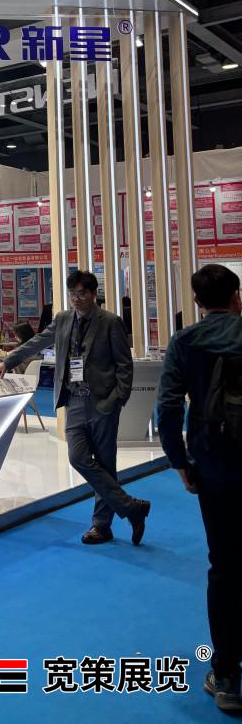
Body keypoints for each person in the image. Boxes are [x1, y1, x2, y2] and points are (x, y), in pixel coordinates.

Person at [0, 270, 150, 546]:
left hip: (103, 403)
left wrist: (117, 399)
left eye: (81, 294)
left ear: (93, 294)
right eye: (72, 295)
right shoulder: (63, 319)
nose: (76, 299)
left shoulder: (110, 322)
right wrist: (9, 360)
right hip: (74, 401)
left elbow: (124, 365)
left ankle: (101, 526)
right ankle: (130, 507)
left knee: (105, 464)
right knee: (78, 457)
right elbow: (37, 341)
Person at [157, 264, 242, 713]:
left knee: (224, 565)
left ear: (196, 300)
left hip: (214, 464)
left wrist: (180, 462)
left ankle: (226, 674)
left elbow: (168, 407)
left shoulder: (185, 341)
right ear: (237, 296)